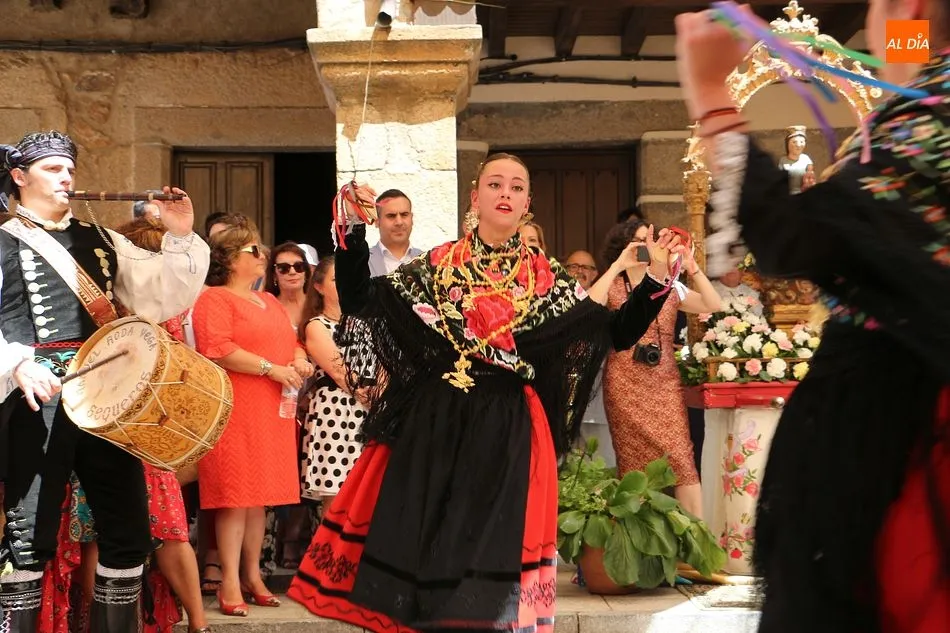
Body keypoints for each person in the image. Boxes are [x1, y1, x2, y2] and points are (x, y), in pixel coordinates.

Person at [288, 152, 684, 633]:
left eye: (516, 187)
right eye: (495, 184)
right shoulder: (437, 265)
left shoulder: (547, 278)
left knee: (488, 552)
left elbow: (613, 333)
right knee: (426, 544)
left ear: (527, 205)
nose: (505, 193)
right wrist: (351, 231)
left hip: (507, 423)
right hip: (438, 418)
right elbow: (362, 300)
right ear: (475, 197)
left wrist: (659, 278)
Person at [675, 1, 950, 631]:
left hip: (893, 433)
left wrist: (712, 89)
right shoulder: (924, 106)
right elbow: (908, 54)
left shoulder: (931, 116)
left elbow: (793, 239)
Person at [0, 130, 209, 633]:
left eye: (68, 168)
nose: (66, 176)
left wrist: (180, 234)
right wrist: (16, 365)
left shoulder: (101, 239)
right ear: (19, 177)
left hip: (105, 398)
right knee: (29, 533)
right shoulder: (3, 240)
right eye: (51, 169)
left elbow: (161, 296)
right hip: (37, 397)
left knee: (128, 530)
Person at [191, 219, 312, 617]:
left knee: (258, 499)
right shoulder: (215, 299)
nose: (263, 256)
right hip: (236, 405)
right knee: (233, 496)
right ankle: (228, 579)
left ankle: (252, 574)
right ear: (228, 259)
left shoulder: (271, 301)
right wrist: (270, 368)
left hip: (273, 407)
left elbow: (292, 339)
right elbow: (217, 348)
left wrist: (297, 360)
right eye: (253, 251)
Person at [601, 219, 721, 517]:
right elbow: (586, 304)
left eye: (651, 240)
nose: (648, 246)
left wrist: (692, 267)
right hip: (624, 382)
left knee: (682, 460)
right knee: (633, 464)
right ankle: (640, 542)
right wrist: (617, 265)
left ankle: (696, 543)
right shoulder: (615, 284)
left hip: (664, 382)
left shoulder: (671, 286)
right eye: (640, 240)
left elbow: (713, 304)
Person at [367, 189, 422, 277]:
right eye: (391, 216)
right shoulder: (363, 262)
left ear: (411, 219)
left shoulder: (428, 261)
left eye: (404, 214)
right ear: (377, 221)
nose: (399, 222)